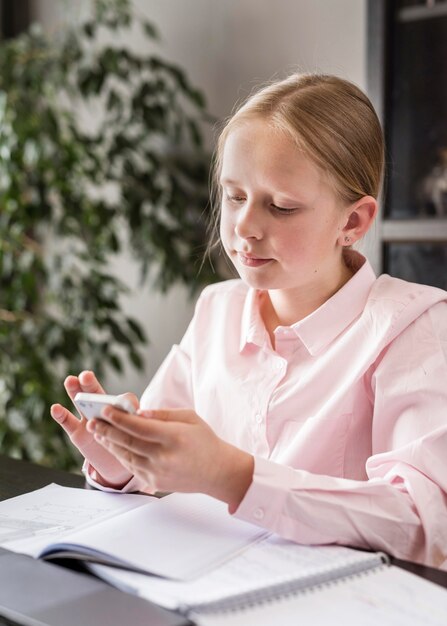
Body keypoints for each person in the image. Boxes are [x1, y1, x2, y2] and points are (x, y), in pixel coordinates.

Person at [51, 73, 447, 569]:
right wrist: (122, 464)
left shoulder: (413, 327)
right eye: (235, 196)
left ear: (353, 222)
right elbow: (164, 466)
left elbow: (422, 523)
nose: (243, 227)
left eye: (280, 206)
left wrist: (236, 476)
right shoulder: (217, 308)